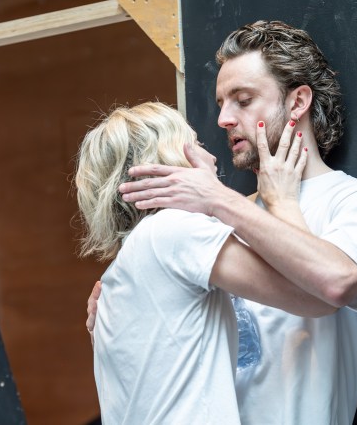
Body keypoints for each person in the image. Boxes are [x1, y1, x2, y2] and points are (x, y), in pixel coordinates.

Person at [88, 20, 357, 424]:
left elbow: (336, 284)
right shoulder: (209, 219)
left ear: (298, 102)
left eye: (243, 99)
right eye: (221, 103)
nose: (223, 119)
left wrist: (241, 201)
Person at [75, 101, 333, 424]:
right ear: (168, 165)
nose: (212, 159)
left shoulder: (118, 279)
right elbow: (313, 292)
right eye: (195, 147)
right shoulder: (171, 232)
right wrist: (282, 202)